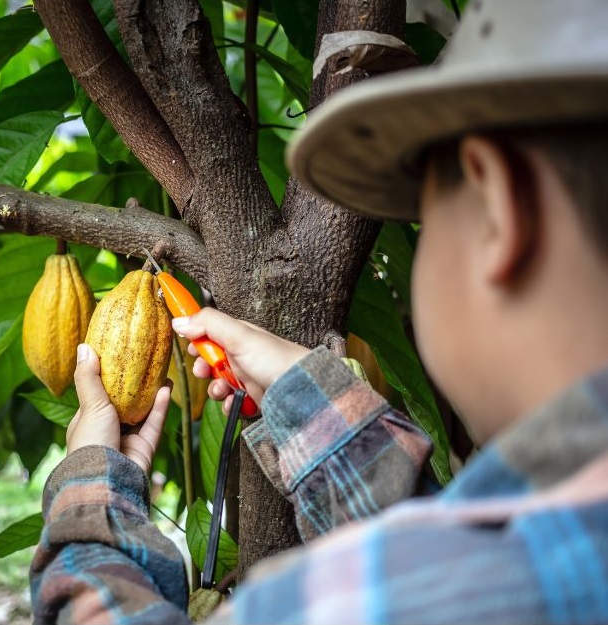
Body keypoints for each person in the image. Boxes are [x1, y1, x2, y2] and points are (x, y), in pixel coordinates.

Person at [30, 0, 608, 622]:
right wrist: (311, 403)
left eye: (427, 216)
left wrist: (90, 488)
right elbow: (435, 535)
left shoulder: (355, 604)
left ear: (499, 211)